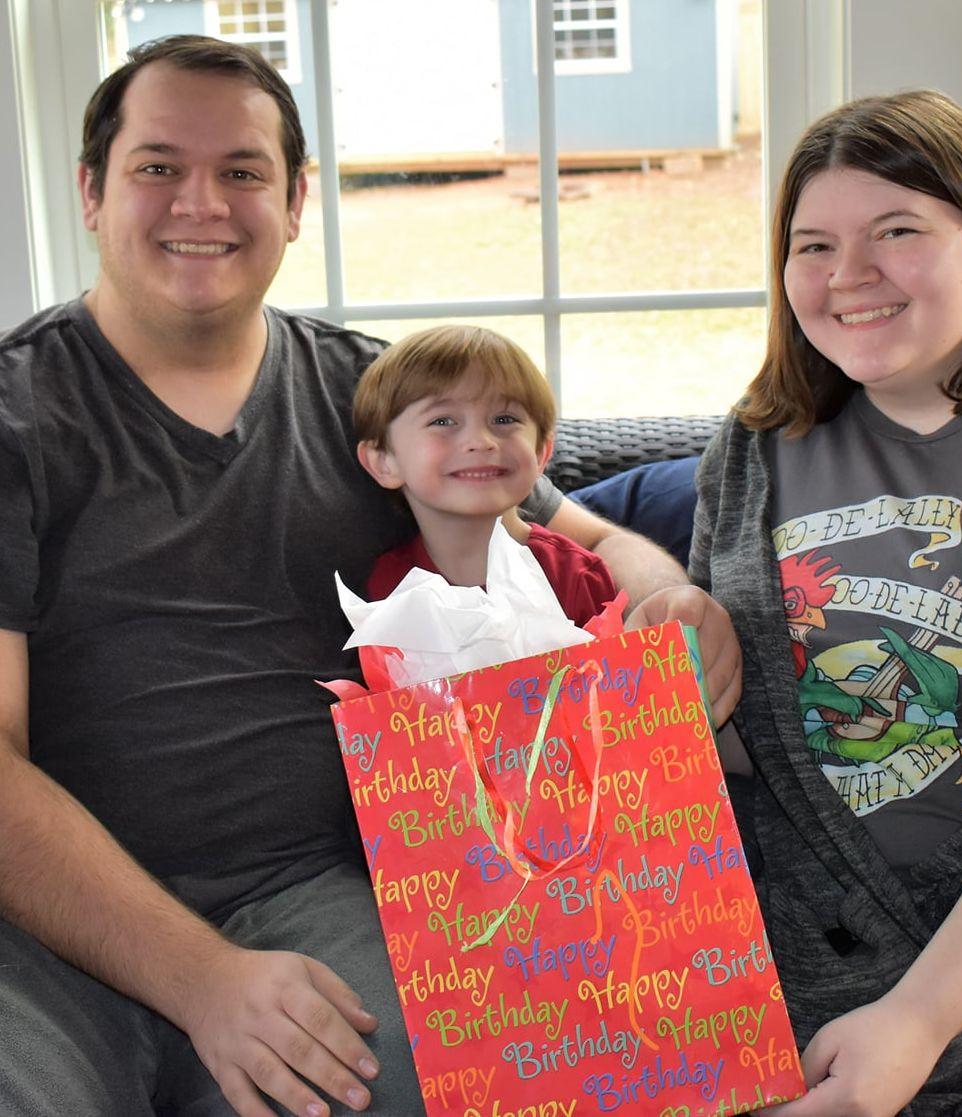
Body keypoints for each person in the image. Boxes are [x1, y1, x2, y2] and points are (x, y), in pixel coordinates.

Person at [0, 34, 741, 1117]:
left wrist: (669, 590)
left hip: (316, 900)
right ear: (91, 193)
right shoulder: (20, 416)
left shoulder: (373, 402)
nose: (199, 201)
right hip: (43, 932)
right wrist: (202, 980)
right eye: (157, 166)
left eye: (243, 171)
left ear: (297, 200)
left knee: (493, 1078)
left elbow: (580, 528)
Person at [692, 89, 962, 1116]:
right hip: (795, 953)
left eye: (897, 231)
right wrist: (685, 658)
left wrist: (920, 1018)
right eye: (814, 245)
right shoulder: (756, 445)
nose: (849, 278)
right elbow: (756, 752)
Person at [354, 324, 617, 625]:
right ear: (384, 462)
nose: (481, 441)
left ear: (540, 452)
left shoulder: (577, 577)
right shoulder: (388, 585)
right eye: (442, 420)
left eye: (504, 419)